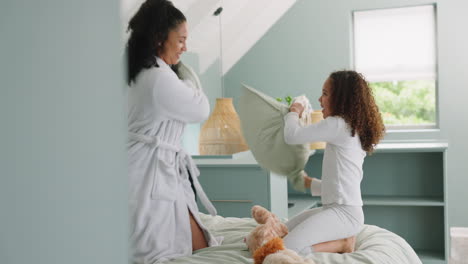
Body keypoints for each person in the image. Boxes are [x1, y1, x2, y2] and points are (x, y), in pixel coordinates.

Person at [125, 0, 221, 263]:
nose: (185, 48)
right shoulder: (158, 79)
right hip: (148, 176)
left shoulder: (140, 72)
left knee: (199, 243)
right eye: (180, 40)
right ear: (159, 37)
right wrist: (189, 80)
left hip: (151, 168)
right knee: (156, 250)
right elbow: (201, 108)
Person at [282, 70, 385, 255]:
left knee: (285, 249)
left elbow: (291, 136)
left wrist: (294, 111)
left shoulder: (338, 124)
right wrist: (311, 183)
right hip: (340, 211)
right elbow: (343, 185)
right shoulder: (350, 128)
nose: (320, 100)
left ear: (341, 98)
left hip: (344, 215)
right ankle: (343, 241)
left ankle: (343, 245)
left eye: (325, 94)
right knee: (281, 233)